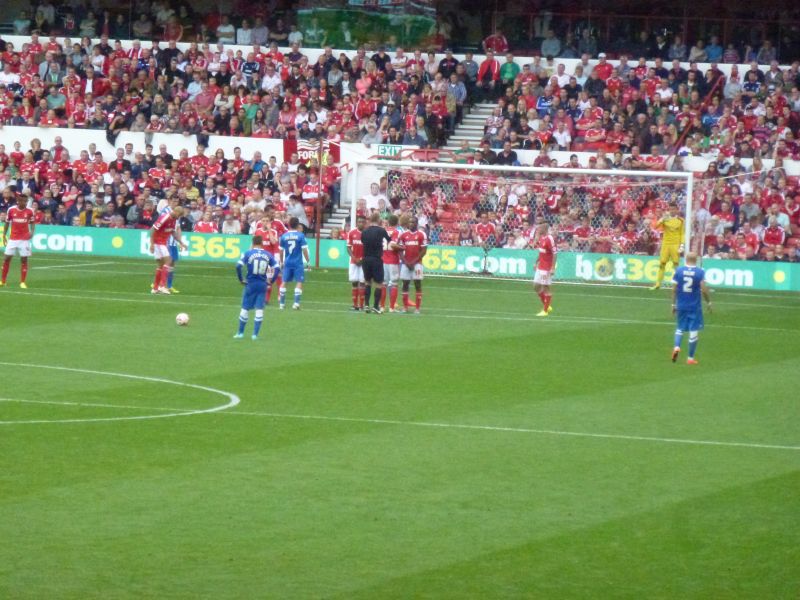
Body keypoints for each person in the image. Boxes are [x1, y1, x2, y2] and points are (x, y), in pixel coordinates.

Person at [235, 235, 280, 340]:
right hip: (262, 284)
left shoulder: (248, 253)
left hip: (250, 284)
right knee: (259, 309)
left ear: (252, 243)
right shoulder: (268, 254)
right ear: (262, 243)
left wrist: (241, 279)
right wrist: (271, 281)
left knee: (245, 308)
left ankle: (240, 333)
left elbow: (238, 266)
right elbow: (277, 269)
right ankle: (255, 335)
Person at [671, 252, 712, 365]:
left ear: (686, 259)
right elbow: (703, 289)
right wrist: (709, 302)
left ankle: (677, 346)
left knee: (680, 328)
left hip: (681, 305)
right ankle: (690, 358)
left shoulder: (678, 271)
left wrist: (673, 305)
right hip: (694, 306)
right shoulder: (700, 272)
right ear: (697, 260)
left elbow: (674, 289)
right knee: (694, 331)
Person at [360, 212, 393, 314]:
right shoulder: (381, 230)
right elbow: (389, 240)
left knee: (367, 282)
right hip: (376, 259)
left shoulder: (364, 232)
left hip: (366, 259)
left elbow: (363, 242)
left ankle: (366, 305)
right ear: (378, 220)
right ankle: (375, 306)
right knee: (379, 283)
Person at [149, 204, 186, 294]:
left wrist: (181, 242)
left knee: (161, 265)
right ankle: (162, 286)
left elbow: (173, 233)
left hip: (162, 243)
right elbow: (152, 229)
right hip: (158, 243)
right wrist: (152, 244)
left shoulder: (173, 220)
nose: (179, 217)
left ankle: (155, 288)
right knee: (169, 261)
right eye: (179, 215)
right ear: (176, 212)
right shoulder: (165, 217)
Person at [1, 194, 35, 288]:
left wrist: (32, 232)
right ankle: (3, 281)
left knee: (24, 259)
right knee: (6, 258)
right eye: (22, 201)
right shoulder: (11, 210)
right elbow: (7, 223)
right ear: (18, 201)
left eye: (26, 201)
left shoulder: (30, 211)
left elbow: (32, 223)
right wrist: (4, 234)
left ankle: (22, 282)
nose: (24, 203)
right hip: (13, 239)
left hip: (24, 240)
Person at [398, 216, 428, 314]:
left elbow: (424, 251)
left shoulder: (421, 234)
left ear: (417, 223)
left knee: (417, 284)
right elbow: (400, 250)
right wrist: (405, 262)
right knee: (405, 284)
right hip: (406, 264)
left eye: (413, 222)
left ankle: (417, 308)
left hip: (417, 264)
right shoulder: (403, 235)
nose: (411, 224)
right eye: (410, 222)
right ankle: (405, 307)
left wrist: (414, 261)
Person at [279, 217, 310, 310]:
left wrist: (281, 261)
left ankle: (282, 304)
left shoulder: (284, 236)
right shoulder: (300, 236)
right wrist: (308, 261)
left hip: (287, 262)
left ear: (289, 224)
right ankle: (296, 303)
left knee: (284, 282)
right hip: (297, 263)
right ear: (297, 225)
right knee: (299, 282)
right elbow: (304, 249)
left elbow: (281, 251)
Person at [651, 202, 684, 290]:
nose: (672, 211)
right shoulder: (665, 219)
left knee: (676, 265)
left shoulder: (681, 220)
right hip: (666, 244)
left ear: (677, 210)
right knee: (662, 263)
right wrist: (661, 219)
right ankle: (658, 284)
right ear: (669, 210)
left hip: (675, 244)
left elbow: (682, 234)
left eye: (674, 209)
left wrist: (682, 245)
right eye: (670, 209)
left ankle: (679, 284)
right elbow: (655, 227)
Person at [530, 222, 555, 316]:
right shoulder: (541, 238)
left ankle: (545, 311)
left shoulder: (549, 238)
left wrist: (552, 268)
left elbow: (555, 253)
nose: (538, 228)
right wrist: (536, 262)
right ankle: (546, 305)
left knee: (546, 288)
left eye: (540, 227)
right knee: (536, 286)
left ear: (544, 228)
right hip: (540, 266)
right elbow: (541, 252)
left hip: (546, 268)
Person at [381, 214, 402, 312]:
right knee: (394, 284)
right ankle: (392, 308)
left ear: (388, 222)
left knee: (383, 283)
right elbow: (393, 245)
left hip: (383, 259)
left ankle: (381, 306)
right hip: (393, 260)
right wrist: (404, 247)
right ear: (397, 223)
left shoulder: (382, 231)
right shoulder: (396, 232)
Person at [346, 215, 366, 311]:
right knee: (354, 282)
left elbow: (370, 249)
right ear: (357, 223)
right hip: (353, 262)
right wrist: (354, 258)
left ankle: (361, 305)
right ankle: (355, 305)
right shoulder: (352, 233)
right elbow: (348, 248)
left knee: (362, 283)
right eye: (359, 222)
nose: (361, 223)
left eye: (363, 222)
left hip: (364, 262)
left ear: (365, 223)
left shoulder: (367, 233)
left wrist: (362, 259)